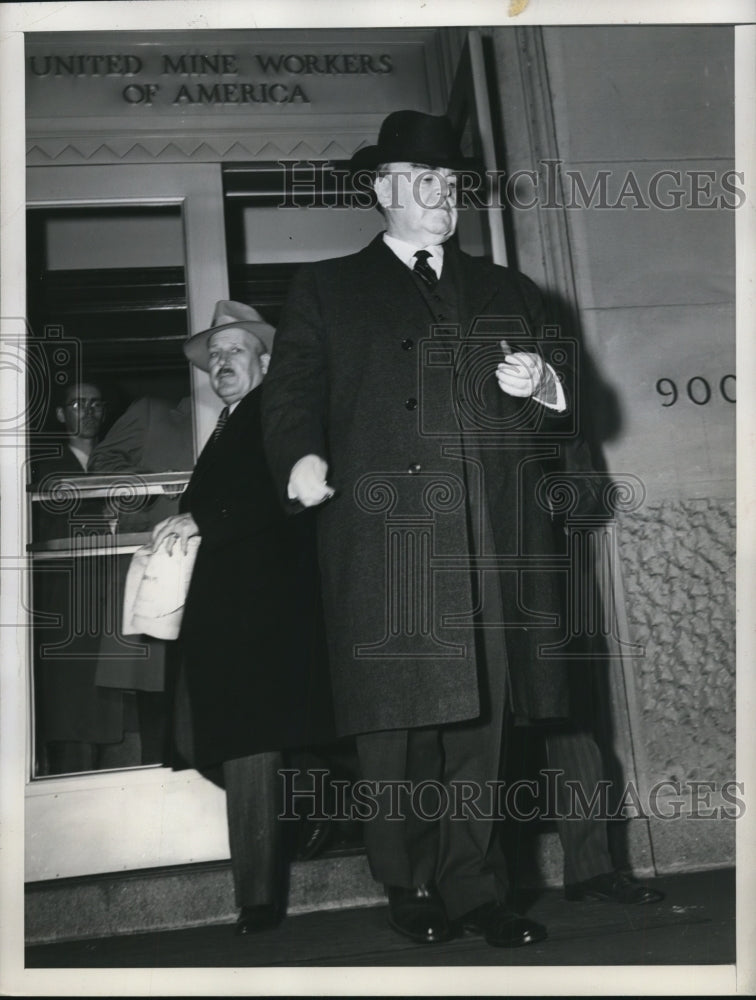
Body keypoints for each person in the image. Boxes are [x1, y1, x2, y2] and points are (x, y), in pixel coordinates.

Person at [262, 110, 662, 949]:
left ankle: (475, 888)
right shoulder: (326, 289)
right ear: (381, 189)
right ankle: (408, 884)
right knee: (397, 728)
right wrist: (299, 458)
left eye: (449, 181)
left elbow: (574, 417)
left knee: (483, 724)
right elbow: (291, 392)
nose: (440, 194)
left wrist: (546, 385)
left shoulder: (511, 291)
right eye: (421, 179)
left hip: (490, 533)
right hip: (388, 543)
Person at [150, 301, 333, 934]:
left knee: (250, 745)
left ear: (265, 361)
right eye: (214, 357)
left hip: (265, 610)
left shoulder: (275, 414)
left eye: (235, 352)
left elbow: (278, 491)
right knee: (202, 742)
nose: (221, 364)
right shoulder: (229, 424)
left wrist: (204, 520)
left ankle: (257, 896)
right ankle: (316, 798)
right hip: (221, 611)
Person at [31, 378, 124, 774]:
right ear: (60, 414)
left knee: (117, 719)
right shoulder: (43, 470)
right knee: (71, 718)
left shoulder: (119, 459)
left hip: (112, 601)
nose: (88, 412)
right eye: (77, 404)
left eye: (96, 404)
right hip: (65, 604)